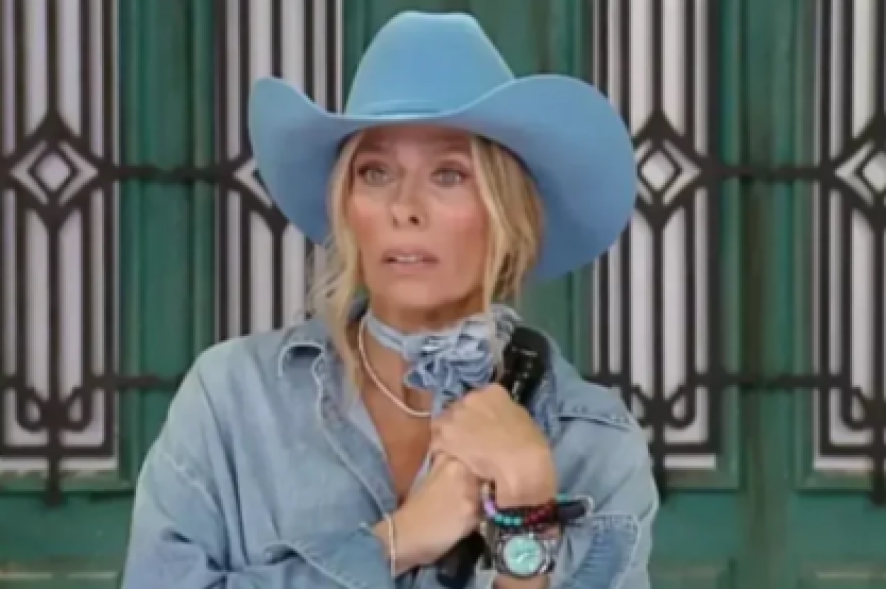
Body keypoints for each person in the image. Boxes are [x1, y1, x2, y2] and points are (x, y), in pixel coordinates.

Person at [121, 10, 656, 589]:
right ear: (346, 204)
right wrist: (396, 541)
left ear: (508, 211)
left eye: (449, 174)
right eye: (375, 172)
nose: (404, 208)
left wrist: (525, 517)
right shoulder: (233, 399)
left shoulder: (595, 442)